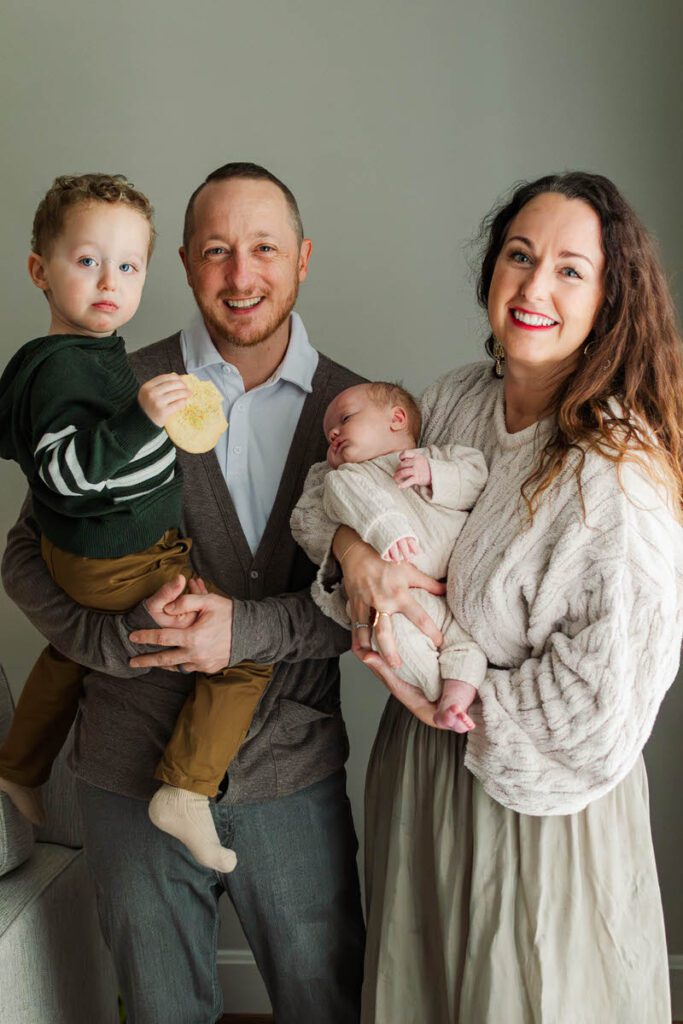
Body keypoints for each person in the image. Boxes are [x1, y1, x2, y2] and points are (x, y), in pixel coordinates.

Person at [1, 162, 366, 1024]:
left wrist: (240, 632)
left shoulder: (357, 414)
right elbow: (24, 557)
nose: (241, 275)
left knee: (326, 1004)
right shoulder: (113, 387)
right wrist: (116, 639)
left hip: (291, 773)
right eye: (215, 251)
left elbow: (367, 609)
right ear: (186, 266)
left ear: (303, 258)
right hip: (127, 772)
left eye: (264, 248)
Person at [330, 172, 682, 1023]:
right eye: (519, 257)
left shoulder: (610, 469)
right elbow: (361, 501)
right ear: (490, 271)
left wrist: (447, 689)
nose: (533, 287)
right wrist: (352, 554)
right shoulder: (451, 401)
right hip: (419, 781)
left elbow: (600, 707)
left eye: (569, 269)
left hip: (533, 809)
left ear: (609, 297)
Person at [0, 172, 272, 875]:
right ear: (40, 270)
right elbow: (63, 473)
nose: (108, 283)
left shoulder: (68, 359)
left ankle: (19, 766)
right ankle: (185, 788)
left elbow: (27, 444)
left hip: (88, 558)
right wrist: (140, 420)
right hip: (117, 562)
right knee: (241, 650)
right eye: (87, 261)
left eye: (127, 266)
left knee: (66, 654)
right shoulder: (67, 369)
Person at [290, 380, 489, 729]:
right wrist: (380, 534)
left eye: (346, 418)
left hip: (450, 584)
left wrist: (434, 473)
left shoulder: (433, 457)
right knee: (399, 639)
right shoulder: (344, 478)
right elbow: (311, 518)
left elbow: (476, 475)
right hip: (404, 594)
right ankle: (444, 698)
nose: (333, 432)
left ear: (397, 418)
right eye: (328, 435)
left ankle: (460, 692)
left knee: (465, 641)